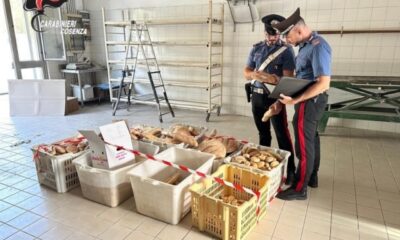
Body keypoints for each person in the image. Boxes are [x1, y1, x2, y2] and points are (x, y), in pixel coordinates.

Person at [270, 8, 331, 200]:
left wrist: (295, 100)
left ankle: (299, 188)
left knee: (303, 144)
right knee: (312, 139)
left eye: (287, 35)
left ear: (298, 30)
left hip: (309, 101)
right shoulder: (305, 46)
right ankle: (312, 177)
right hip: (307, 99)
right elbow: (303, 76)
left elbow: (323, 83)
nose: (286, 40)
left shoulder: (318, 46)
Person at [243, 14, 296, 184]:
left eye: (275, 35)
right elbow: (246, 72)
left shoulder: (286, 50)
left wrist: (275, 83)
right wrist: (253, 74)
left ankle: (290, 171)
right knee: (263, 134)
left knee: (282, 135)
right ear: (265, 33)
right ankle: (263, 167)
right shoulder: (256, 49)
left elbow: (289, 79)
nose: (272, 38)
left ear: (280, 34)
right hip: (257, 96)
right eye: (269, 35)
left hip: (274, 97)